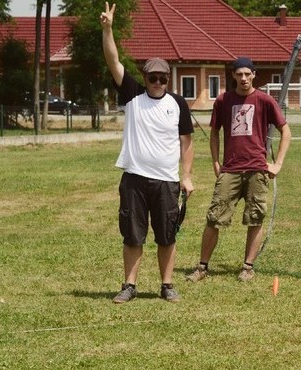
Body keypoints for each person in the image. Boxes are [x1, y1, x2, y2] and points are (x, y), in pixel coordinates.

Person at [101, 2, 194, 303]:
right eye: (152, 77)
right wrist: (107, 29)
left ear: (169, 78)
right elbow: (113, 60)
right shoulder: (132, 96)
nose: (157, 83)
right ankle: (129, 285)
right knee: (132, 235)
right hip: (135, 179)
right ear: (144, 77)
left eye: (162, 78)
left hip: (167, 181)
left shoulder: (178, 104)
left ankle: (167, 285)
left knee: (167, 235)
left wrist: (187, 177)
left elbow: (186, 142)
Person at [186, 57, 291, 283]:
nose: (243, 78)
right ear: (233, 75)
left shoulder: (265, 100)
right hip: (230, 170)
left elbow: (286, 132)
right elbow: (214, 133)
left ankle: (247, 267)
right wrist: (216, 163)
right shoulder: (223, 101)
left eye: (247, 74)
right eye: (239, 74)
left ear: (254, 74)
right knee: (214, 218)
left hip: (257, 169)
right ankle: (202, 267)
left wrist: (278, 164)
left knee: (255, 218)